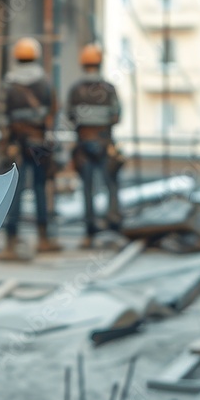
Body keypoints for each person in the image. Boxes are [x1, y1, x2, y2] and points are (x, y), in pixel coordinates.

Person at [0, 36, 58, 259]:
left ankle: (11, 244)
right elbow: (52, 113)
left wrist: (5, 144)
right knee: (41, 188)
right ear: (36, 56)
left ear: (16, 57)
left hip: (17, 145)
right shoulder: (45, 82)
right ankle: (43, 238)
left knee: (15, 191)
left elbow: (2, 116)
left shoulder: (9, 82)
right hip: (39, 144)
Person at [67, 44, 123, 248]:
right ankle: (113, 228)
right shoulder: (108, 89)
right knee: (111, 186)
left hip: (83, 145)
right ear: (100, 63)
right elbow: (116, 116)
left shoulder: (75, 90)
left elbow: (70, 116)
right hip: (105, 143)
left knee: (88, 189)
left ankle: (90, 232)